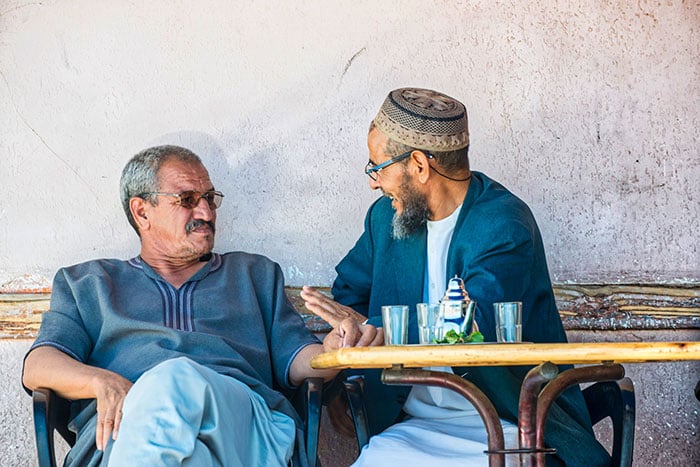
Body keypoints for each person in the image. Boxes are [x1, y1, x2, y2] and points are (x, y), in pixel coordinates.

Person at [301, 88, 611, 466]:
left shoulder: (503, 224)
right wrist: (347, 336)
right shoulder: (385, 220)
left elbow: (468, 324)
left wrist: (376, 331)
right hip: (411, 425)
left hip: (507, 423)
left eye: (378, 167)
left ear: (418, 164)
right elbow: (348, 295)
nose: (373, 182)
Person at [22, 145, 379, 466]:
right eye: (188, 199)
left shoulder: (252, 274)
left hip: (248, 431)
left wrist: (332, 351)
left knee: (173, 379)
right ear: (142, 211)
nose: (206, 212)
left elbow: (297, 360)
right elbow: (38, 365)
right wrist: (102, 381)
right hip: (124, 438)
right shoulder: (89, 284)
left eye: (210, 198)